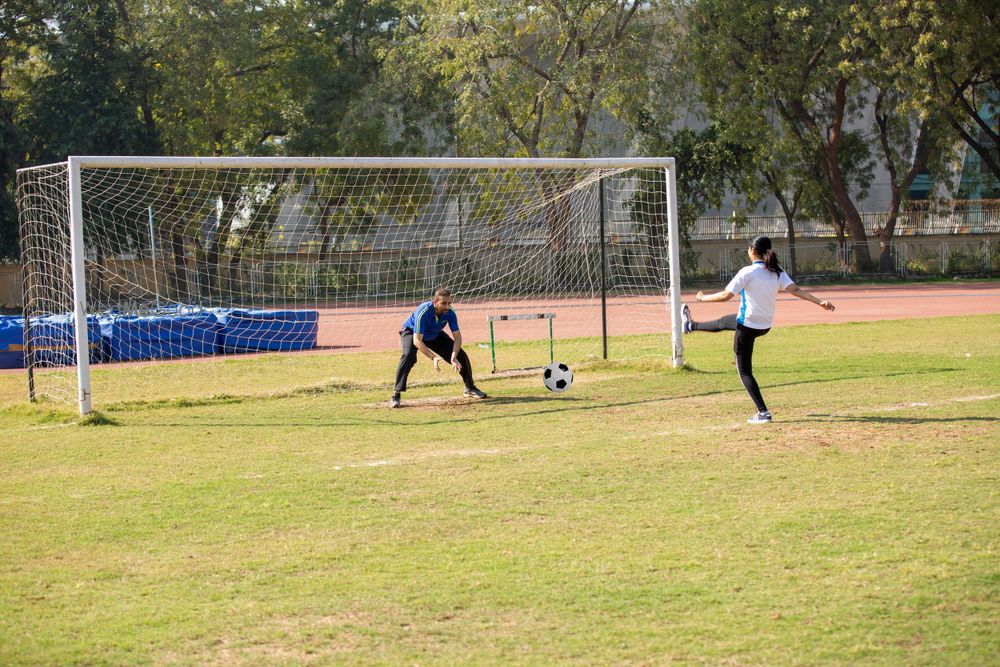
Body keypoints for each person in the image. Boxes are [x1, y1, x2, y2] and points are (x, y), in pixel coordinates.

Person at [690, 236, 835, 424]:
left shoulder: (748, 272)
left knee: (744, 371)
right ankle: (690, 325)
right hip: (763, 325)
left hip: (748, 325)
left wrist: (702, 298)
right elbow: (796, 290)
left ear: (752, 250)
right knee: (724, 322)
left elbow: (726, 295)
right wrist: (820, 302)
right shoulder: (777, 272)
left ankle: (763, 412)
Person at [390, 287, 487, 408]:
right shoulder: (424, 310)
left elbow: (458, 338)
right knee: (408, 356)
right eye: (444, 303)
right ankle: (396, 394)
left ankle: (470, 388)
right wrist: (433, 357)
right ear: (435, 302)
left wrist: (453, 356)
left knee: (461, 356)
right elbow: (417, 340)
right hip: (412, 332)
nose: (447, 306)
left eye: (449, 303)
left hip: (434, 334)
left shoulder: (450, 313)